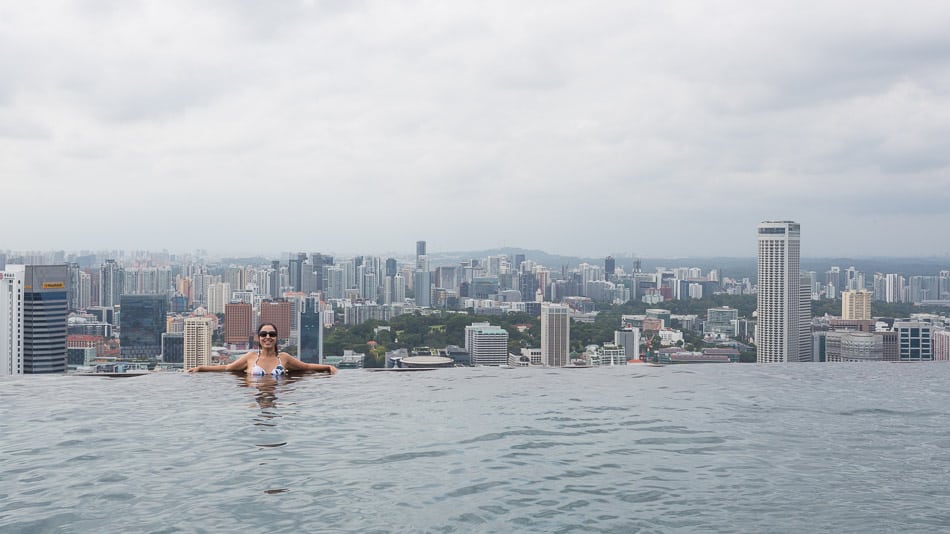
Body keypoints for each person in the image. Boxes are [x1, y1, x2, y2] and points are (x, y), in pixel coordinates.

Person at [187, 323, 337, 376]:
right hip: (256, 399)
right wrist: (200, 368)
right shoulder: (250, 357)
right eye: (263, 334)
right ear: (258, 338)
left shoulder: (283, 358)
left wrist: (328, 367)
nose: (267, 337)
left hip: (275, 400)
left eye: (271, 334)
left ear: (277, 337)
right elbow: (227, 368)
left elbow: (306, 367)